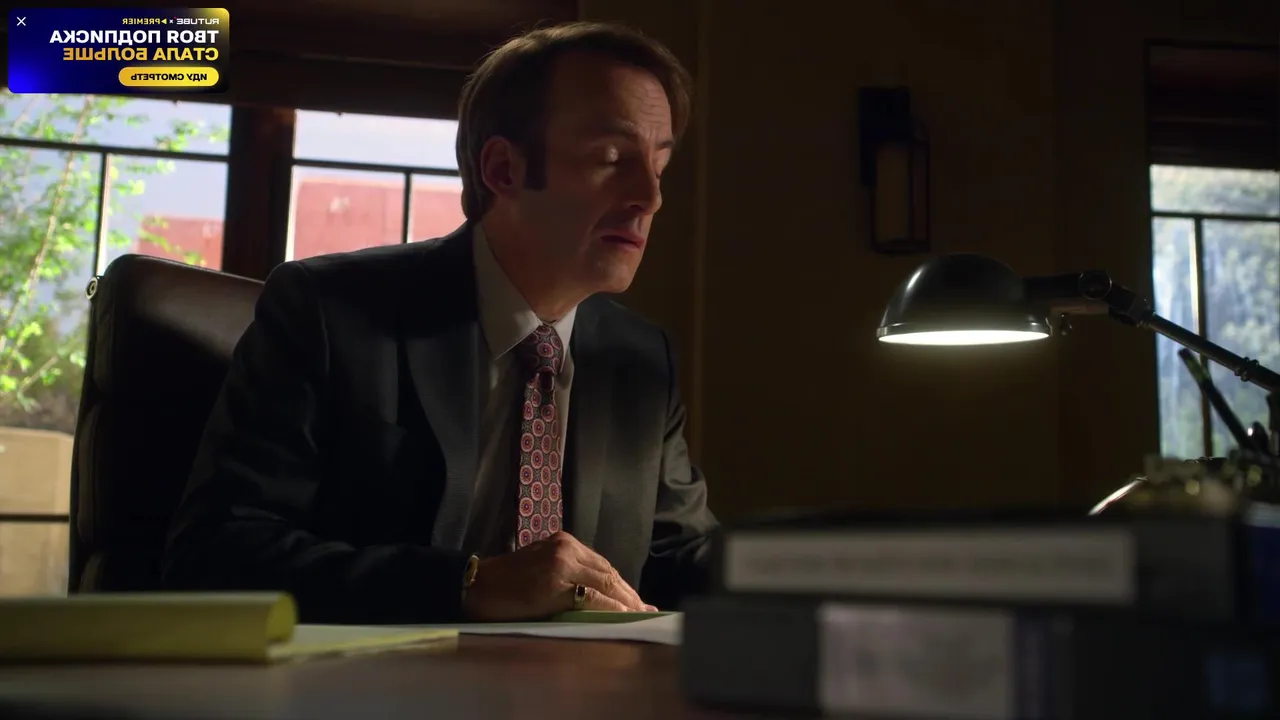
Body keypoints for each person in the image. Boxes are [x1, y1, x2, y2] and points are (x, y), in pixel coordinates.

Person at [162, 21, 719, 624]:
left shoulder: (641, 357)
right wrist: (469, 584)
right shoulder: (326, 313)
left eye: (659, 166)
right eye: (611, 158)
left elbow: (680, 557)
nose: (650, 198)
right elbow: (214, 553)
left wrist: (791, 566)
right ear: (502, 169)